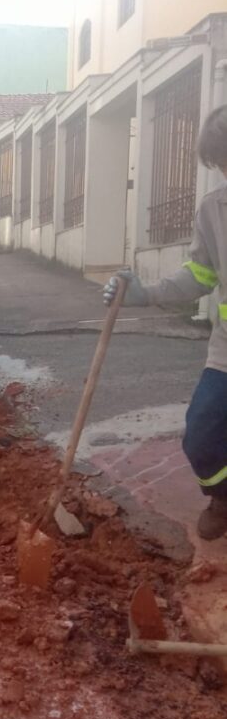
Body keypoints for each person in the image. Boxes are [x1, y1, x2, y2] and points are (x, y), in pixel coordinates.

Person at [103, 104, 227, 540]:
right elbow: (201, 273)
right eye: (222, 164)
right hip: (225, 355)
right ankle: (222, 497)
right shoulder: (214, 210)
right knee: (201, 436)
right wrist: (146, 293)